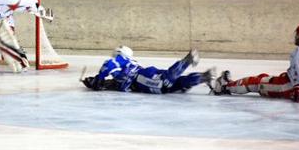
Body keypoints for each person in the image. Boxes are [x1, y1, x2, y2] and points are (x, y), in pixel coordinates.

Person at [212, 24, 299, 103]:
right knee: (263, 77)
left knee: (255, 83)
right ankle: (231, 85)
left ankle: (223, 87)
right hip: (295, 84)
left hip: (288, 87)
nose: (296, 37)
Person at [82, 46, 215, 94]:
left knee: (165, 82)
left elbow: (107, 69)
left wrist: (98, 80)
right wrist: (95, 82)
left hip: (141, 78)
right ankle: (204, 77)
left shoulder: (118, 60)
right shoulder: (129, 62)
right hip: (146, 75)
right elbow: (115, 82)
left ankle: (186, 61)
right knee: (176, 84)